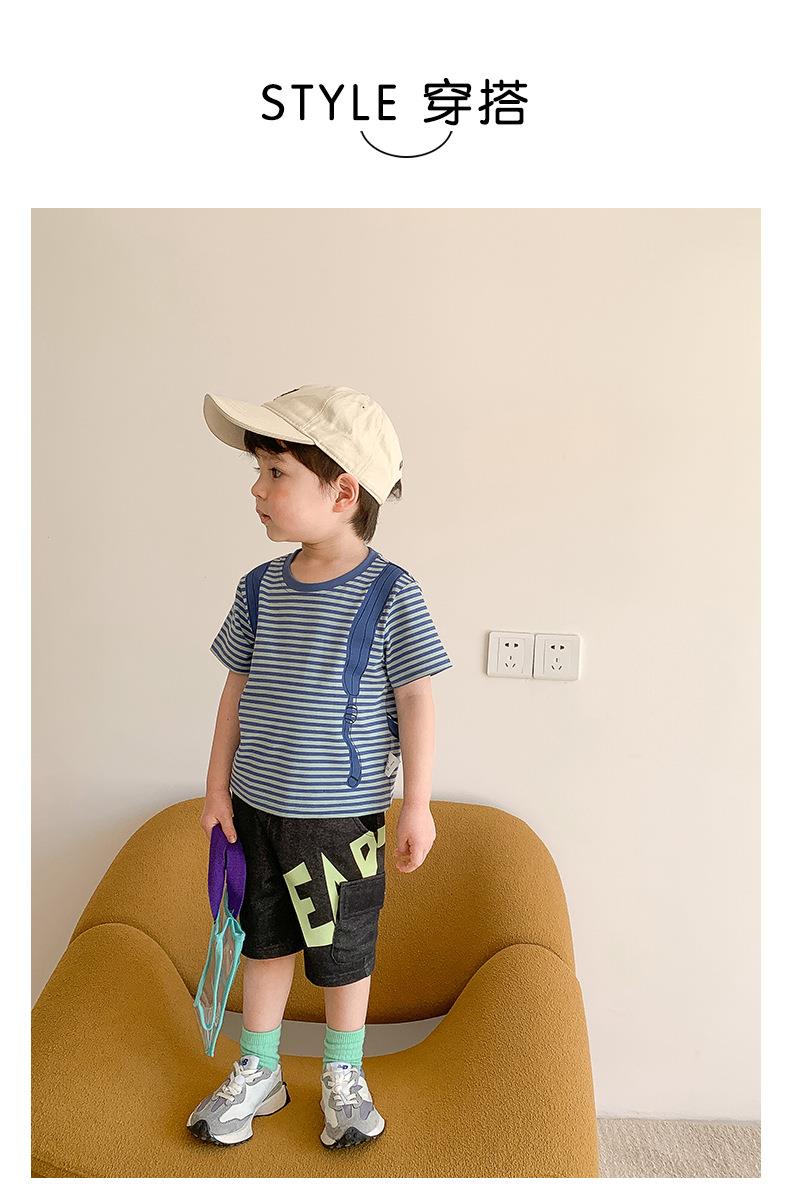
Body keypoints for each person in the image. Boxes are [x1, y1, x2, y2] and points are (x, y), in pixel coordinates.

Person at [186, 383, 453, 1150]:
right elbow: (234, 692)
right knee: (262, 941)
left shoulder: (391, 593)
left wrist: (417, 803)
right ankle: (259, 1067)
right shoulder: (259, 589)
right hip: (256, 812)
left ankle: (342, 1071)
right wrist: (216, 788)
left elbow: (417, 700)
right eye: (259, 471)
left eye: (276, 472)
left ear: (342, 492)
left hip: (340, 823)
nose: (257, 488)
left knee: (343, 954)